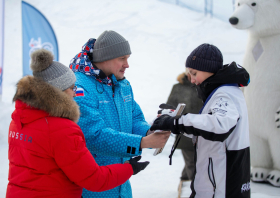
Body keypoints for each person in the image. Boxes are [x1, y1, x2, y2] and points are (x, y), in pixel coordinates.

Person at [6, 49, 149, 198]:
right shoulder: (61, 129)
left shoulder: (19, 120)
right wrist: (129, 169)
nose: (75, 93)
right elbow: (94, 179)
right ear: (57, 93)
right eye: (71, 88)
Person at [70, 30, 170, 198]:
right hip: (92, 187)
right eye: (122, 59)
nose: (127, 64)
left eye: (127, 58)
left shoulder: (122, 84)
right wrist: (141, 142)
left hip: (120, 184)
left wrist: (149, 132)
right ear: (105, 58)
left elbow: (134, 119)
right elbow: (93, 136)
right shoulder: (79, 87)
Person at [151, 44, 251, 198]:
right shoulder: (221, 91)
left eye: (194, 73)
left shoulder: (225, 94)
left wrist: (177, 122)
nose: (191, 79)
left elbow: (219, 126)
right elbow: (209, 132)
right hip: (214, 183)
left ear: (208, 69)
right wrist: (175, 121)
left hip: (221, 188)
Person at [166, 71, 203, 198]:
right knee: (193, 165)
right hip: (184, 136)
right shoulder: (178, 87)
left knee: (195, 163)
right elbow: (170, 108)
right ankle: (195, 191)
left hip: (202, 134)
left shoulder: (203, 86)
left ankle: (183, 183)